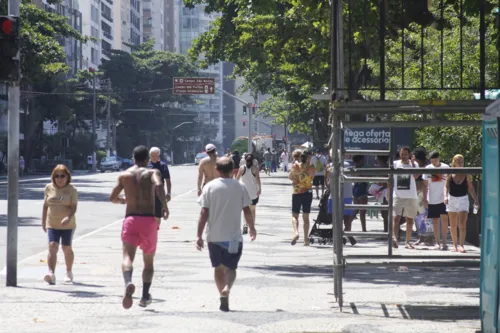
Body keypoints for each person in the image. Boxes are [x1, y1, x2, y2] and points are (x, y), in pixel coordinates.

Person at [109, 146, 169, 309]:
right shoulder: (152, 173)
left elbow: (113, 197)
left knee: (127, 257)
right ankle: (144, 296)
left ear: (133, 158)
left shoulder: (124, 175)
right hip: (149, 220)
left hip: (131, 219)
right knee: (148, 262)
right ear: (147, 159)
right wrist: (164, 206)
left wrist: (124, 200)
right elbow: (158, 186)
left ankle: (128, 282)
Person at [196, 157, 256, 312]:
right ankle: (227, 288)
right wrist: (252, 228)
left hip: (214, 237)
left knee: (218, 268)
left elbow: (203, 213)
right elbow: (247, 211)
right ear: (233, 170)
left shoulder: (209, 187)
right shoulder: (240, 187)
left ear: (217, 170)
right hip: (234, 238)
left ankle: (221, 292)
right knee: (231, 268)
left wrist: (198, 236)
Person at [42, 164, 78, 285]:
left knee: (66, 248)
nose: (59, 179)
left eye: (62, 176)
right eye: (56, 176)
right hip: (52, 223)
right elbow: (45, 206)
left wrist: (68, 217)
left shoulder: (72, 190)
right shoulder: (49, 187)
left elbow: (73, 208)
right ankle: (51, 274)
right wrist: (43, 222)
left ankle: (68, 272)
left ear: (67, 176)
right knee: (52, 246)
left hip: (67, 225)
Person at [444, 154, 479, 253]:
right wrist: (445, 196)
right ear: (454, 162)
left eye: (462, 161)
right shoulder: (450, 173)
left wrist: (476, 199)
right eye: (458, 161)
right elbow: (446, 186)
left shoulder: (466, 173)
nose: (460, 163)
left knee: (462, 223)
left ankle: (462, 245)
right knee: (453, 224)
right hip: (452, 199)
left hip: (463, 199)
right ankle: (454, 245)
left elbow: (470, 187)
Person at [392, 147, 420, 249]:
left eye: (405, 154)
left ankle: (407, 242)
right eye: (401, 153)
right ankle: (394, 238)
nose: (403, 156)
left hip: (411, 195)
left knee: (410, 219)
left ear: (409, 155)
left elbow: (416, 176)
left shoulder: (414, 164)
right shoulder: (395, 164)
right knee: (396, 217)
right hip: (398, 195)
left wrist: (412, 164)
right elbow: (389, 177)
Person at [422, 151, 450, 250]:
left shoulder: (446, 167)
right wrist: (425, 198)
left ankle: (445, 242)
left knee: (444, 219)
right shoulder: (428, 169)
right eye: (432, 161)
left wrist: (447, 196)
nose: (434, 162)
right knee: (435, 220)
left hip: (443, 197)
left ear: (439, 158)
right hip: (432, 197)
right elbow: (425, 185)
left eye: (436, 160)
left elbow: (449, 183)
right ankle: (437, 242)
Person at [288, 150, 315, 246]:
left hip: (297, 192)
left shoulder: (295, 166)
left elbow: (290, 177)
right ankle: (305, 240)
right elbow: (311, 179)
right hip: (308, 193)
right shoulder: (312, 168)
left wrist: (296, 179)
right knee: (306, 217)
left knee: (295, 215)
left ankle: (295, 233)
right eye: (310, 157)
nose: (311, 159)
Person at [236, 153, 261, 233]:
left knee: (245, 210)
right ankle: (252, 226)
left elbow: (237, 179)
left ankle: (245, 225)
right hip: (254, 192)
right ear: (253, 160)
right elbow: (258, 180)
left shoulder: (241, 168)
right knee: (253, 210)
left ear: (245, 160)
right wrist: (260, 189)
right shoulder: (255, 169)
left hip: (244, 193)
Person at [148, 147, 171, 226]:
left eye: (156, 155)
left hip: (159, 194)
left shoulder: (163, 165)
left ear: (159, 156)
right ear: (149, 155)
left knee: (158, 215)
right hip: (147, 194)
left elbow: (168, 180)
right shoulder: (146, 165)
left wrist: (169, 193)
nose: (154, 157)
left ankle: (155, 232)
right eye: (152, 155)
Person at [351, 155, 368, 232]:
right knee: (362, 211)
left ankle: (347, 225)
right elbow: (363, 178)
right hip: (362, 188)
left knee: (355, 211)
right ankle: (364, 229)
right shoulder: (361, 169)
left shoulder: (353, 169)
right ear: (360, 160)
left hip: (355, 188)